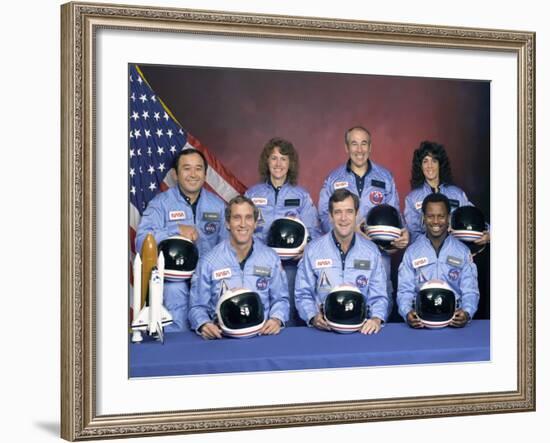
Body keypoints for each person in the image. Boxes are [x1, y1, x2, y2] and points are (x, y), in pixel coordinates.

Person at [317, 126, 409, 316]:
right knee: (345, 308)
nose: (359, 150)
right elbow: (324, 216)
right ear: (346, 147)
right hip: (341, 255)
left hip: (378, 255)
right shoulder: (333, 179)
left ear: (371, 146)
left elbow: (395, 215)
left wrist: (402, 234)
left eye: (364, 144)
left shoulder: (385, 177)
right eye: (354, 144)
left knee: (379, 309)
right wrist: (351, 232)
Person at [135, 148, 226, 331]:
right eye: (186, 168)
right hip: (173, 281)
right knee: (174, 291)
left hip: (207, 280)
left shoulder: (217, 206)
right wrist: (175, 229)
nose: (193, 174)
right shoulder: (161, 204)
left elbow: (227, 248)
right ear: (176, 174)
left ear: (205, 174)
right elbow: (141, 241)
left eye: (198, 168)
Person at [188, 195, 290, 339]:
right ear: (228, 223)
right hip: (223, 339)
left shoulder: (270, 258)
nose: (243, 224)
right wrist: (203, 324)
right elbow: (197, 307)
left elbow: (281, 299)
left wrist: (276, 319)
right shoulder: (208, 262)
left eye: (248, 218)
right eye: (236, 217)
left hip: (262, 336)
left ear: (255, 223)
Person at [245, 137, 321, 325]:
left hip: (291, 268)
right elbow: (242, 231)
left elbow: (315, 232)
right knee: (259, 313)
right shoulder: (252, 195)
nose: (278, 164)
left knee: (292, 314)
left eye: (284, 159)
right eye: (274, 158)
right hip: (259, 265)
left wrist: (306, 248)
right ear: (267, 162)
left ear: (290, 164)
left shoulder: (301, 196)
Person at [295, 189, 390, 334]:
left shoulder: (371, 252)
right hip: (324, 331)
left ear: (357, 214)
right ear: (331, 216)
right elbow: (303, 294)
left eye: (349, 211)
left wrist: (376, 319)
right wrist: (313, 317)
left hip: (362, 332)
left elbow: (379, 296)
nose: (343, 218)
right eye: (338, 212)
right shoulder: (313, 250)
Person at [397, 193, 480, 328]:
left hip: (453, 321)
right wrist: (407, 312)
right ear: (423, 218)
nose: (436, 221)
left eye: (441, 216)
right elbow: (404, 290)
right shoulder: (411, 252)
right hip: (421, 320)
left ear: (448, 218)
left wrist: (466, 312)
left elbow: (470, 290)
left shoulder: (463, 252)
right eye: (430, 216)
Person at [404, 140, 490, 245]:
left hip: (455, 251)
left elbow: (474, 217)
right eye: (425, 161)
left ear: (440, 165)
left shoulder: (456, 194)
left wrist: (489, 233)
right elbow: (412, 234)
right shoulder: (412, 198)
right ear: (420, 166)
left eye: (434, 161)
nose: (429, 165)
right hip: (426, 255)